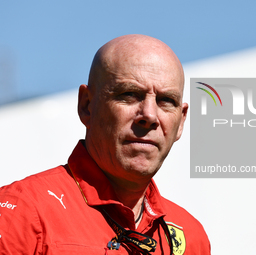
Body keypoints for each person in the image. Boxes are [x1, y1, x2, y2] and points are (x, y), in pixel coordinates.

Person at [0, 35, 211, 255]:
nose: (149, 115)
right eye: (129, 94)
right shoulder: (20, 211)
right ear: (86, 106)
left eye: (166, 101)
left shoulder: (191, 236)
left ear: (181, 121)